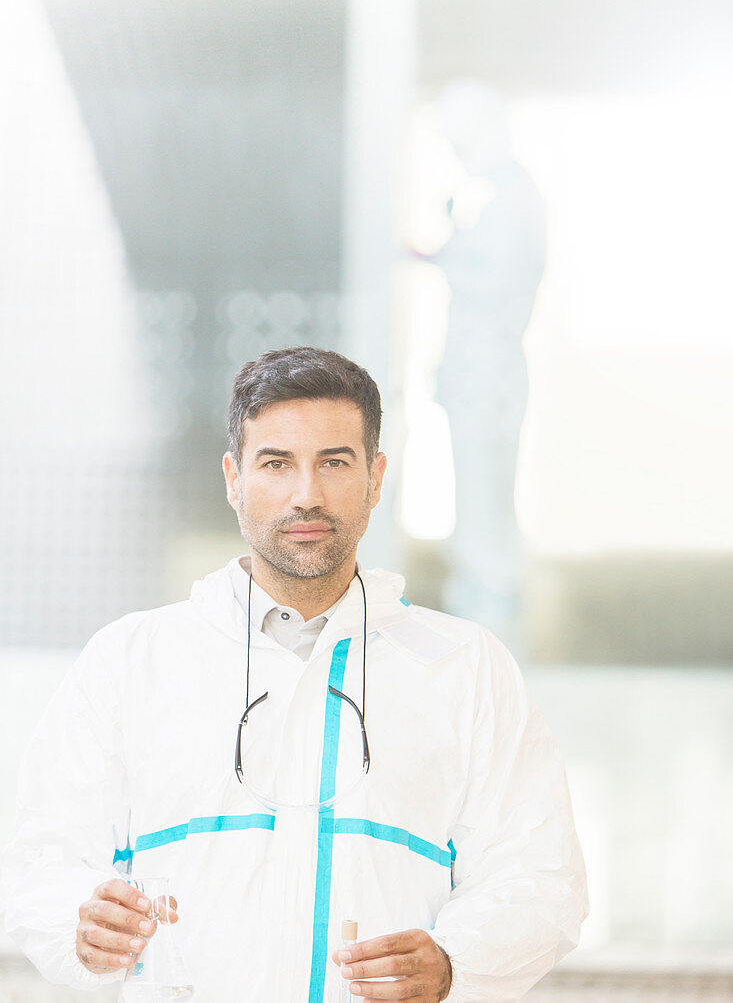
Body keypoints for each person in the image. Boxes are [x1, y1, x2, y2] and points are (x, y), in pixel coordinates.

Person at [0, 346, 588, 1001]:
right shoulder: (132, 659)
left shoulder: (464, 667)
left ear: (375, 476)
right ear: (232, 477)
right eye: (275, 464)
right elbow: (46, 862)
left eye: (333, 463)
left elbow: (538, 874)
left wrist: (454, 961)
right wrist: (80, 925)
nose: (305, 494)